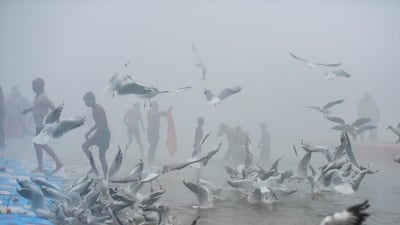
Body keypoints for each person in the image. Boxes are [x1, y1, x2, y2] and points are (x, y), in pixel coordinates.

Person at [22, 78, 63, 173]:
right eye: (32, 85)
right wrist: (27, 110)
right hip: (39, 124)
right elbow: (36, 106)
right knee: (40, 144)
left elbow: (52, 106)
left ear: (40, 86)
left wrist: (58, 120)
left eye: (34, 85)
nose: (33, 87)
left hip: (44, 124)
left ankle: (45, 166)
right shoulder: (38, 96)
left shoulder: (44, 96)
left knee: (39, 144)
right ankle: (53, 163)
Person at [82, 92, 111, 178]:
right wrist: (89, 132)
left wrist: (93, 136)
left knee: (101, 156)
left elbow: (101, 126)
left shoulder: (98, 109)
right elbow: (97, 123)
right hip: (100, 133)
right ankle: (93, 165)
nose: (85, 103)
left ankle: (106, 176)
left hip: (103, 134)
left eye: (86, 101)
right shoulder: (94, 109)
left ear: (91, 100)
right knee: (85, 146)